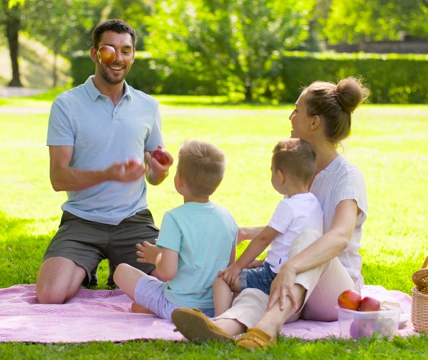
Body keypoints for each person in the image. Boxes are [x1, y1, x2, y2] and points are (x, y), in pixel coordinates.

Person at [171, 77, 369, 350]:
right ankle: (223, 326)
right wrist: (249, 238)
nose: (290, 116)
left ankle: (268, 327)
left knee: (312, 238)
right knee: (253, 291)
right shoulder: (302, 172)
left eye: (297, 110)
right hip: (293, 290)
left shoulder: (346, 177)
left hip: (334, 293)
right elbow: (291, 228)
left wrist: (290, 266)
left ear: (314, 122)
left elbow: (339, 238)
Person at [35, 19, 173, 304]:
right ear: (95, 53)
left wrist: (161, 171)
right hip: (82, 220)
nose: (118, 58)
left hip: (133, 221)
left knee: (172, 280)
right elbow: (58, 178)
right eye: (110, 50)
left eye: (126, 50)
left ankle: (118, 268)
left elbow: (154, 176)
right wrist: (108, 174)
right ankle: (87, 266)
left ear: (133, 54)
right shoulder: (66, 105)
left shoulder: (148, 106)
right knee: (50, 295)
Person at [112, 140, 238, 320]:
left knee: (122, 271)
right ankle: (150, 307)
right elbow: (227, 267)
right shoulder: (228, 217)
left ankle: (156, 308)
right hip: (216, 305)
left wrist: (156, 256)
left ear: (179, 180)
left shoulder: (174, 218)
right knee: (144, 299)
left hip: (176, 306)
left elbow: (167, 273)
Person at [212, 138, 323, 316]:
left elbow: (263, 239)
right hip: (296, 274)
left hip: (271, 277)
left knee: (222, 281)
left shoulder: (288, 206)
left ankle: (219, 321)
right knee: (246, 278)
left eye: (272, 172)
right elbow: (290, 243)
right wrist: (259, 262)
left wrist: (236, 267)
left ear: (280, 176)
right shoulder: (314, 204)